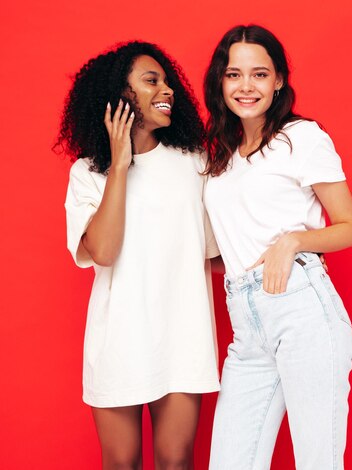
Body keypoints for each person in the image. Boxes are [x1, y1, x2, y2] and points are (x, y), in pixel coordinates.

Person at [202, 25, 352, 470]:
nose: (246, 86)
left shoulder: (302, 138)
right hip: (247, 322)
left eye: (259, 74)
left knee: (318, 461)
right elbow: (233, 246)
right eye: (234, 74)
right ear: (221, 82)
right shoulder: (220, 156)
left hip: (301, 310)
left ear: (278, 81)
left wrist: (291, 242)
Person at [56, 41, 220, 470]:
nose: (167, 89)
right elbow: (105, 251)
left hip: (183, 335)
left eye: (167, 81)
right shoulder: (88, 172)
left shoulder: (194, 164)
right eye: (152, 81)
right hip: (119, 340)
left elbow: (217, 250)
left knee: (175, 460)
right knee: (122, 463)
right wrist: (120, 166)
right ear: (119, 95)